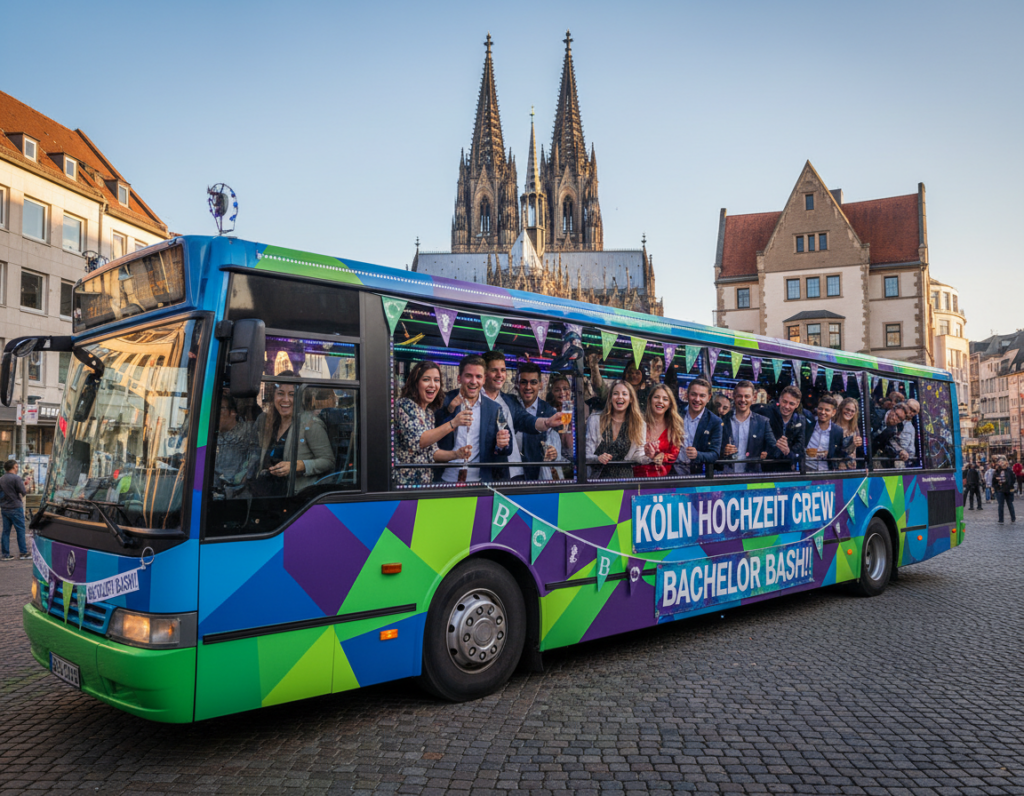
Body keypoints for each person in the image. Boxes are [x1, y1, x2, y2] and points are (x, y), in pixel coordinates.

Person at [480, 351, 563, 480]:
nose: (499, 375)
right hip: (490, 475)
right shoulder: (474, 401)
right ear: (484, 374)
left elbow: (526, 420)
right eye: (494, 370)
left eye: (503, 370)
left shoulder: (508, 401)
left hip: (517, 474)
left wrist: (547, 422)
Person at [250, 373, 336, 497]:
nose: (285, 399)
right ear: (273, 396)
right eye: (280, 393)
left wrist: (298, 465)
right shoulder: (267, 421)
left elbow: (328, 462)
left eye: (292, 395)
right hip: (266, 493)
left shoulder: (311, 424)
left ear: (300, 397)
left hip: (295, 498)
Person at [435, 355, 514, 483]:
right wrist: (449, 411)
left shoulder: (494, 408)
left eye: (478, 377)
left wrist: (501, 444)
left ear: (484, 380)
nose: (473, 381)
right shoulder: (444, 401)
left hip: (479, 482)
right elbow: (433, 435)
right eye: (468, 376)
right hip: (445, 479)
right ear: (459, 378)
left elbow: (507, 448)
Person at [394, 360, 472, 486]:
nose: (432, 385)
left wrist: (456, 454)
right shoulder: (404, 405)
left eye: (436, 380)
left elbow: (432, 452)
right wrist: (453, 423)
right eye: (426, 379)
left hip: (424, 484)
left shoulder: (429, 413)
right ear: (416, 383)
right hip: (404, 484)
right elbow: (418, 441)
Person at [585, 380, 647, 478]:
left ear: (631, 399)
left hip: (625, 480)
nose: (620, 397)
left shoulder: (639, 424)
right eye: (615, 394)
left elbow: (638, 455)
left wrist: (650, 457)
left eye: (624, 394)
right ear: (610, 398)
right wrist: (598, 458)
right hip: (598, 479)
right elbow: (586, 454)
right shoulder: (594, 420)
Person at [514, 362, 560, 480]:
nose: (528, 387)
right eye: (524, 382)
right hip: (510, 479)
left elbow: (556, 448)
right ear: (517, 384)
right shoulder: (509, 405)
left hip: (538, 480)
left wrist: (554, 453)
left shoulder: (550, 412)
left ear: (540, 385)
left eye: (533, 382)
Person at [720, 380, 777, 474]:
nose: (743, 400)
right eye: (739, 396)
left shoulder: (763, 422)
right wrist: (723, 451)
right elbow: (713, 449)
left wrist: (766, 454)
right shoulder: (722, 421)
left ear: (753, 398)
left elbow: (773, 449)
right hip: (726, 476)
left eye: (747, 396)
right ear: (734, 396)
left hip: (752, 477)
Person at [671, 378, 723, 477]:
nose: (697, 399)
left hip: (697, 475)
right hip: (672, 472)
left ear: (709, 397)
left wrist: (698, 455)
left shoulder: (715, 421)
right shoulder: (676, 414)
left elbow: (715, 454)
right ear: (687, 395)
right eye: (693, 394)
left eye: (702, 396)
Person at [634, 384, 683, 477]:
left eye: (665, 399)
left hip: (660, 482)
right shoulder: (639, 424)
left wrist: (661, 456)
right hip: (635, 480)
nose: (660, 401)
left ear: (669, 404)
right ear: (650, 400)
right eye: (656, 397)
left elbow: (674, 455)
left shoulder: (674, 428)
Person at [213, 393, 257, 498]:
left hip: (237, 494)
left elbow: (257, 456)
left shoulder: (248, 431)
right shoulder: (211, 434)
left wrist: (245, 475)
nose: (216, 413)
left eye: (221, 408)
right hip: (213, 491)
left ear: (233, 412)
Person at [753, 385, 805, 472]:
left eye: (791, 403)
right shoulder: (766, 412)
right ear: (780, 399)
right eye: (785, 401)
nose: (787, 406)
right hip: (764, 469)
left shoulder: (800, 420)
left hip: (786, 471)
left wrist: (788, 451)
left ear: (797, 404)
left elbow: (800, 450)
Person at [804, 395, 844, 472]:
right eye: (820, 409)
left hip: (826, 471)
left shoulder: (838, 431)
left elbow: (839, 453)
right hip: (807, 469)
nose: (822, 412)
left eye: (827, 410)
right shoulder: (808, 426)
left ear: (833, 412)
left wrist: (829, 454)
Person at [1, 460, 29, 561]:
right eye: (16, 467)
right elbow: (23, 492)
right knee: (20, 530)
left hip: (4, 508)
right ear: (13, 467)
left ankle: (5, 554)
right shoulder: (16, 478)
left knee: (5, 531)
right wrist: (26, 485)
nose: (17, 469)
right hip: (16, 507)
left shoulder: (1, 479)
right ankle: (23, 553)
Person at [834, 398, 864, 470]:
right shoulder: (833, 425)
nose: (849, 412)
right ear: (841, 408)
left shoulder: (855, 428)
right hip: (835, 466)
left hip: (851, 467)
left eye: (852, 411)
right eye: (847, 409)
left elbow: (854, 452)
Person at [993, 458, 1016, 524]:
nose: (1002, 463)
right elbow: (994, 480)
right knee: (1000, 505)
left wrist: (1010, 485)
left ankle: (1013, 518)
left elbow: (1013, 479)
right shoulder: (997, 471)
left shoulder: (1009, 470)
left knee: (1010, 504)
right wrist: (997, 486)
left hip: (1008, 490)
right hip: (1000, 490)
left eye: (1003, 462)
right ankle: (1001, 519)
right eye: (1000, 462)